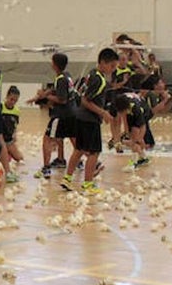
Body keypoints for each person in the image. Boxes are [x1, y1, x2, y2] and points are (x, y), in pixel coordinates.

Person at [62, 47, 119, 193]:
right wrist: (103, 113)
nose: (113, 70)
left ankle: (67, 179)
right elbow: (85, 101)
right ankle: (88, 183)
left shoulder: (92, 73)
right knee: (94, 153)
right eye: (112, 66)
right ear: (103, 63)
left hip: (80, 117)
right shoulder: (99, 80)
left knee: (79, 149)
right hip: (89, 120)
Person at [32, 52, 73, 179]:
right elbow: (56, 89)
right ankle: (92, 162)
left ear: (55, 65)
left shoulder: (60, 79)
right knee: (72, 139)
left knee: (47, 139)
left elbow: (62, 99)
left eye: (52, 61)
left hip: (61, 115)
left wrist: (46, 96)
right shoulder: (67, 76)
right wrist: (44, 94)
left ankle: (46, 168)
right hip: (71, 113)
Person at [111, 92, 152, 169]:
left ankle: (133, 163)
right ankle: (144, 158)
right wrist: (121, 136)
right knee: (132, 137)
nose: (121, 113)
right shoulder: (117, 104)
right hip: (131, 109)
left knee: (135, 138)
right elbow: (120, 119)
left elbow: (143, 126)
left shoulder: (136, 109)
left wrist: (138, 139)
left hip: (144, 112)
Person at [0, 85, 24, 166]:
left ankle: (8, 152)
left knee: (20, 158)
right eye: (11, 99)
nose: (13, 102)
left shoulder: (16, 111)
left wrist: (14, 135)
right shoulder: (0, 107)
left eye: (15, 100)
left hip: (8, 140)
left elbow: (15, 126)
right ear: (7, 96)